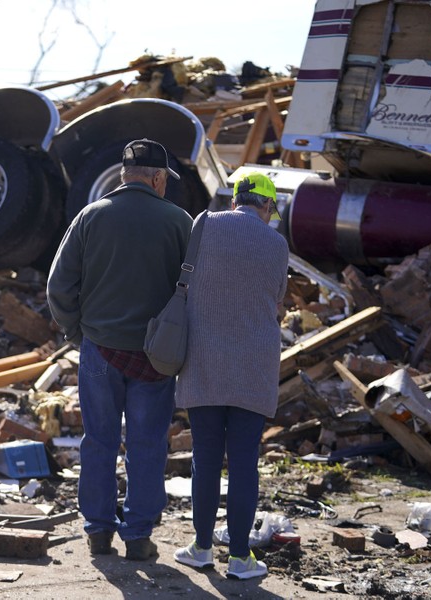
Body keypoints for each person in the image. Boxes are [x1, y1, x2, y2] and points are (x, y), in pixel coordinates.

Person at [47, 139, 193, 560]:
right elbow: (194, 294)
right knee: (147, 445)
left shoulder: (91, 216)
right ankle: (138, 537)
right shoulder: (179, 221)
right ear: (159, 178)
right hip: (155, 357)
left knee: (99, 441)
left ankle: (97, 531)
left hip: (99, 349)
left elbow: (59, 287)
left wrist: (78, 332)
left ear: (124, 175)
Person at [172, 172, 289, 579]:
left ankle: (201, 548)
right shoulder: (277, 244)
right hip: (253, 368)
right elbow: (277, 301)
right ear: (268, 207)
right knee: (243, 464)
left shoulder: (202, 224)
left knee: (205, 459)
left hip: (202, 362)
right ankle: (240, 558)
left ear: (235, 198)